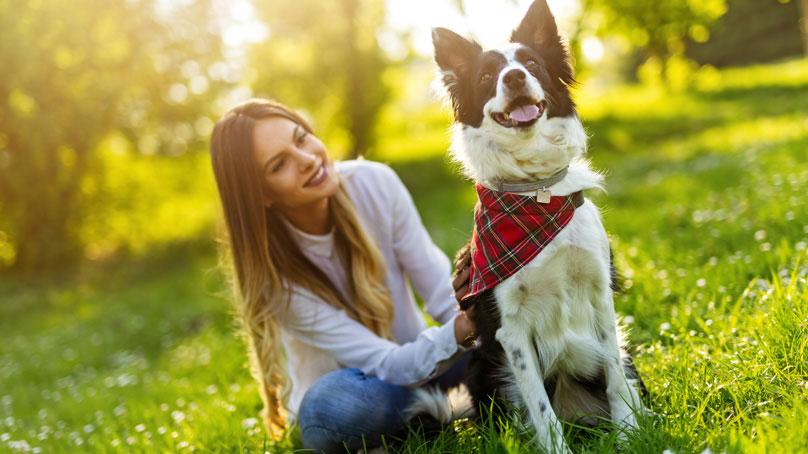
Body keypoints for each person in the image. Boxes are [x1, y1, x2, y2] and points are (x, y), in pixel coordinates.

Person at [209, 99, 475, 452]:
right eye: (279, 165)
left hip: (426, 365)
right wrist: (460, 331)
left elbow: (443, 295)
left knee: (512, 344)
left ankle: (426, 417)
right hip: (365, 392)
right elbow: (385, 364)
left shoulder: (375, 184)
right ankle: (442, 409)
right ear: (262, 196)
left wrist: (478, 323)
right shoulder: (276, 280)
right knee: (332, 404)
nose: (306, 160)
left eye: (301, 138)